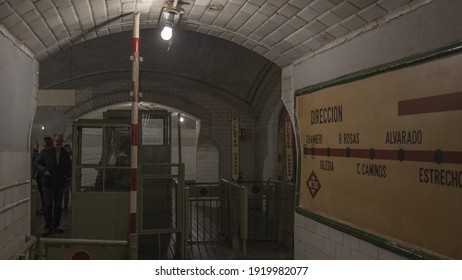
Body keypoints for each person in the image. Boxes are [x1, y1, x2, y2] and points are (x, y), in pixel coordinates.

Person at [34, 133, 72, 236]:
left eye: (60, 142)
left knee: (58, 205)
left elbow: (69, 166)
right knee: (48, 205)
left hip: (59, 183)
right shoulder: (45, 152)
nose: (59, 144)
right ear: (53, 141)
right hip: (48, 182)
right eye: (57, 142)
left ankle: (56, 225)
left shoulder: (64, 154)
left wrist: (68, 176)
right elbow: (37, 163)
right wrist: (44, 171)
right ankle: (48, 226)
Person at [33, 136, 53, 215]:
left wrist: (35, 149)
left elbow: (35, 161)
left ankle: (44, 209)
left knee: (43, 194)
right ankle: (47, 209)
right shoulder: (53, 151)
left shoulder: (44, 152)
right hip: (49, 177)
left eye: (43, 142)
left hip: (41, 177)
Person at [62, 144, 72, 211]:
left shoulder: (72, 157)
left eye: (68, 149)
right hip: (65, 177)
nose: (67, 150)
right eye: (66, 149)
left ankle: (74, 205)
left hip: (71, 177)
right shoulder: (62, 158)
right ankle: (65, 206)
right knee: (66, 193)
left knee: (73, 192)